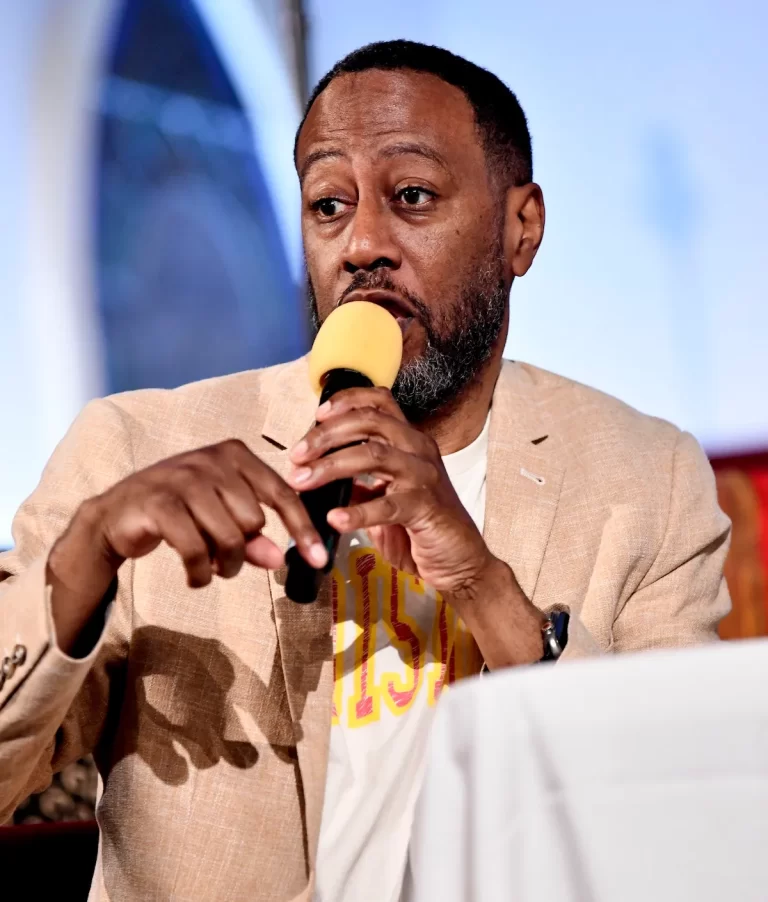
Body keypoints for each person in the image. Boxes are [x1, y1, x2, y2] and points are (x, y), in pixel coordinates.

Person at [0, 40, 730, 902]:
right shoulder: (137, 446)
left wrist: (482, 582)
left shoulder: (647, 478)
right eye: (328, 205)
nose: (362, 245)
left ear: (520, 227)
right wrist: (83, 556)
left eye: (411, 196)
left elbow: (682, 837)